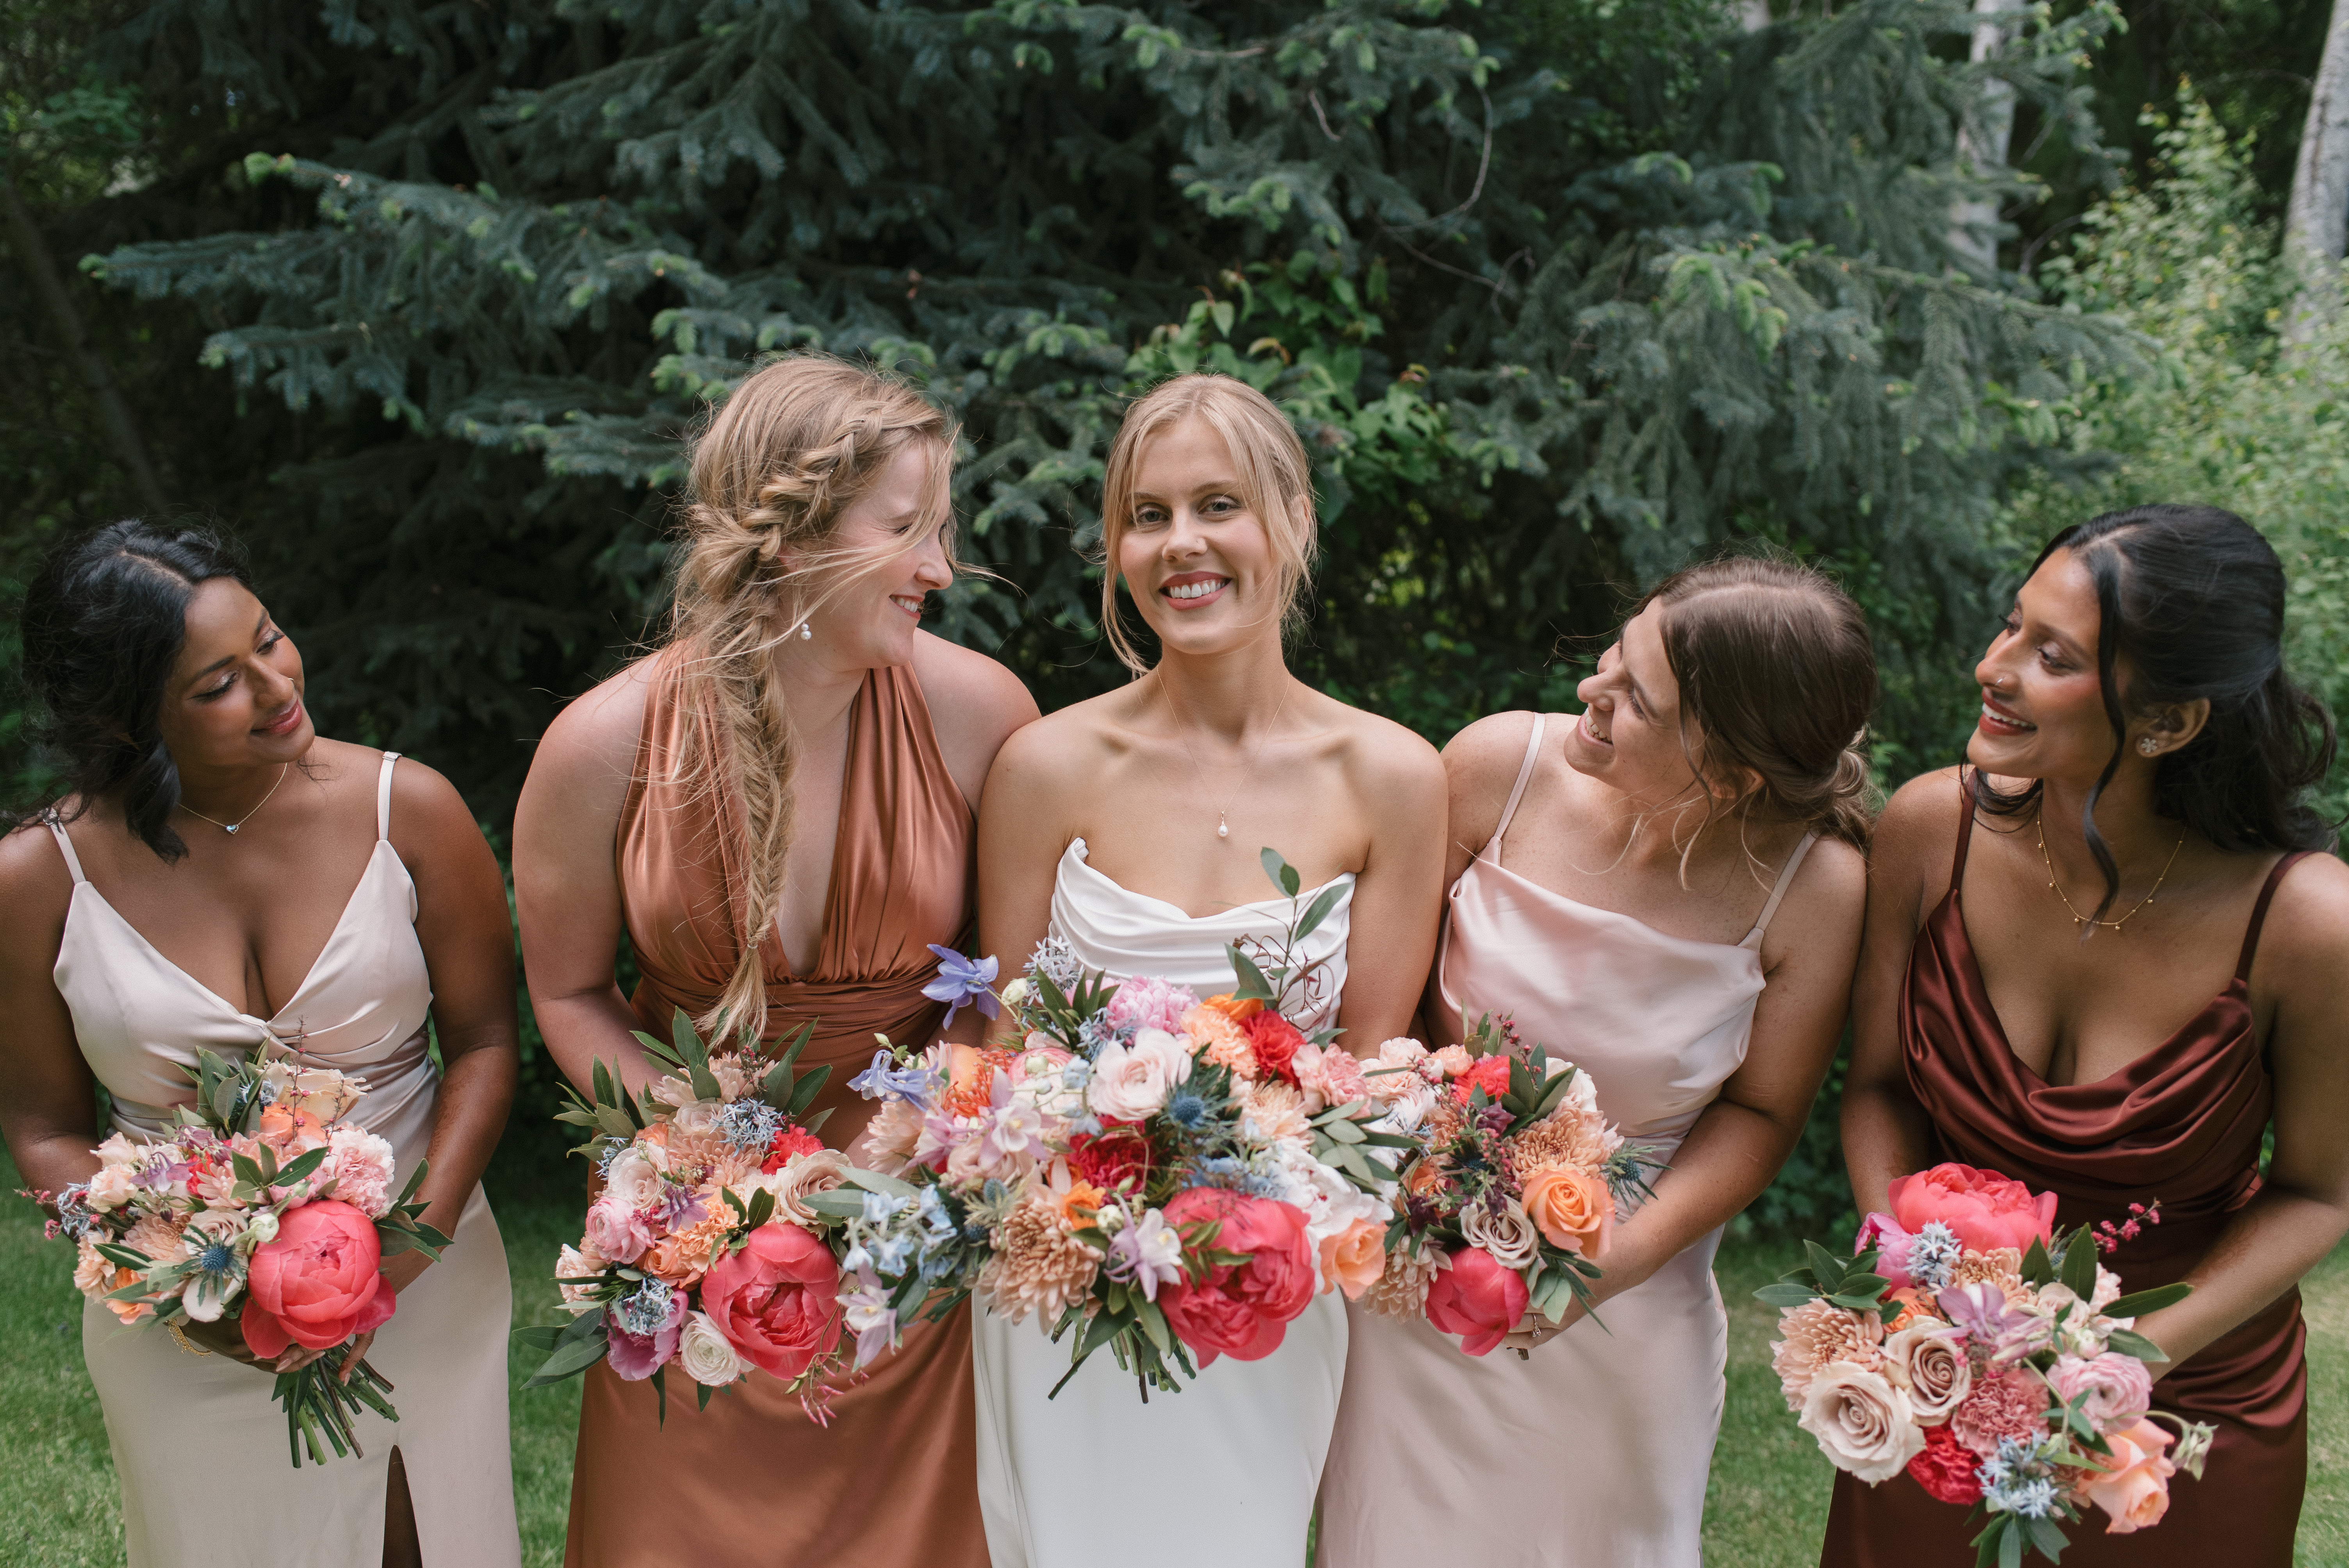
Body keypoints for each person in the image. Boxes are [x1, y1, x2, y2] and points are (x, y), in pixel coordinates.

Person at [515, 353, 1036, 1568]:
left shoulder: (980, 717)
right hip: (689, 1231)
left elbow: (1005, 987)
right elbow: (567, 989)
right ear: (793, 541)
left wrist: (892, 1167)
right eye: (905, 528)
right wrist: (706, 1172)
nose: (938, 568)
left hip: (910, 1219)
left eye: (940, 528)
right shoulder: (603, 745)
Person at [970, 371, 1448, 1568]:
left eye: (1218, 504)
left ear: (1292, 519)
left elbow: (1369, 1076)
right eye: (1147, 514)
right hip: (1063, 1277)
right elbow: (989, 1043)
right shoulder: (1045, 766)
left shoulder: (1391, 777)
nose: (1180, 544)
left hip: (1269, 1289)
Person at [1317, 555, 1874, 1566]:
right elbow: (1377, 1009)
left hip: (1630, 1302)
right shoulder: (1495, 767)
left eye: (1638, 701)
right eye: (1612, 661)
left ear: (1737, 770)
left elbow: (1760, 1116)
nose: (1591, 695)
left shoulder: (1818, 889)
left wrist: (1611, 1265)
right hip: (1426, 1268)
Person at [1829, 504, 2349, 1564]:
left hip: (2182, 1412)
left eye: (2051, 654)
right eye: (2010, 626)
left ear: (2167, 722)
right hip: (1944, 1380)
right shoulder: (1933, 830)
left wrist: (2112, 1360)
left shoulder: (2309, 925)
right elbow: (1880, 1089)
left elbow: (2320, 1192)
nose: (1994, 665)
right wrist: (1929, 1298)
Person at [0, 521, 521, 1568]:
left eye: (270, 639)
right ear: (124, 714)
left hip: (426, 1275)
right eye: (218, 684)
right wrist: (174, 1279)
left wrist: (403, 1255)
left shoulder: (407, 809)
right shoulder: (35, 881)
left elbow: (486, 1042)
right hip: (184, 1320)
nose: (278, 685)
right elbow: (43, 1125)